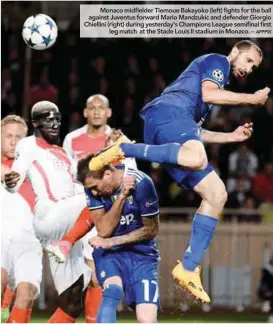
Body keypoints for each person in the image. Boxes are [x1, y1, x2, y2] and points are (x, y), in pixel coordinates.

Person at [88, 40, 270, 302]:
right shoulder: (218, 62)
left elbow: (195, 132)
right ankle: (125, 149)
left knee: (217, 193)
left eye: (255, 67)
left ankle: (187, 266)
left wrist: (231, 137)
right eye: (248, 60)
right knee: (196, 157)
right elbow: (208, 95)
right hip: (167, 113)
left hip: (170, 125)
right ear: (234, 53)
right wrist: (252, 99)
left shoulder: (208, 92)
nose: (249, 69)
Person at [4, 101, 91, 323]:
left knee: (73, 301)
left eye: (58, 119)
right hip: (48, 216)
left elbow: (79, 185)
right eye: (48, 119)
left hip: (62, 223)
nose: (55, 124)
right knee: (100, 196)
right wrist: (11, 181)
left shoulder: (62, 153)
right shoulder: (28, 145)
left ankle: (70, 245)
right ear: (35, 123)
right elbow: (15, 178)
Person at [46, 155, 160, 323]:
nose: (93, 192)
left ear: (107, 174)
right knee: (112, 290)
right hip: (109, 253)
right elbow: (104, 230)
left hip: (142, 255)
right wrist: (121, 197)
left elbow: (151, 229)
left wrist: (112, 241)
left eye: (95, 187)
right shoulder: (91, 189)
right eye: (89, 189)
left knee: (146, 319)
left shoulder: (142, 183)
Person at [62, 93, 137, 323]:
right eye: (92, 108)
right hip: (80, 213)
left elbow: (131, 171)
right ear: (85, 112)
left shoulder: (118, 140)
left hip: (108, 213)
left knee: (98, 276)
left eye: (101, 108)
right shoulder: (72, 139)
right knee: (82, 279)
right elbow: (66, 176)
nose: (96, 112)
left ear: (109, 112)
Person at [1, 115, 42, 323]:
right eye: (8, 135)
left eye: (19, 136)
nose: (13, 141)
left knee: (26, 295)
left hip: (28, 242)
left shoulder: (37, 168)